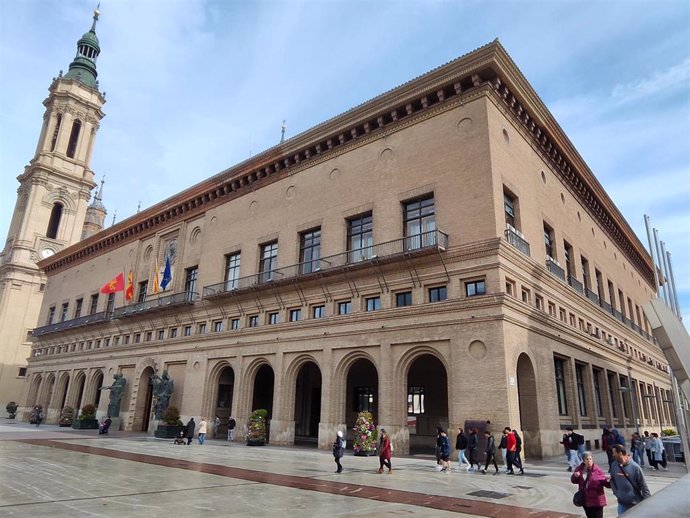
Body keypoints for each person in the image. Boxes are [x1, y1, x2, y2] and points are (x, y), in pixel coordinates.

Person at [610, 444, 650, 516]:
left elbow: (643, 485)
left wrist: (647, 503)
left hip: (635, 504)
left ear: (620, 453)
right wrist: (616, 493)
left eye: (614, 453)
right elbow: (612, 480)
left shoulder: (635, 467)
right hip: (622, 504)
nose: (613, 454)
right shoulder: (614, 465)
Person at [571, 451, 610, 518]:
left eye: (590, 459)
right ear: (583, 461)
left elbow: (604, 482)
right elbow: (573, 481)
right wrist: (575, 476)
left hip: (596, 500)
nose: (589, 461)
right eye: (587, 459)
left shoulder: (597, 470)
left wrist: (608, 481)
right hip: (585, 500)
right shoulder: (579, 469)